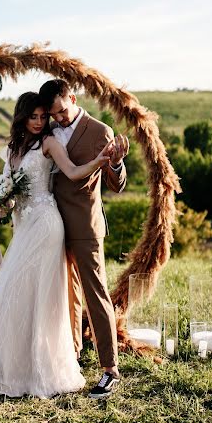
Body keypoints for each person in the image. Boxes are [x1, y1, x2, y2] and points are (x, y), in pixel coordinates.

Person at [0, 92, 113, 398]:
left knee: (35, 292)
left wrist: (99, 162)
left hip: (46, 223)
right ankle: (12, 370)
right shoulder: (12, 148)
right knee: (16, 294)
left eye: (44, 117)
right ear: (22, 116)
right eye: (34, 116)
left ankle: (57, 369)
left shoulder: (49, 143)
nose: (40, 122)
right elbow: (9, 189)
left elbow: (71, 171)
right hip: (24, 226)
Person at [39, 79, 129, 399]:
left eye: (62, 112)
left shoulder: (100, 131)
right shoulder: (46, 133)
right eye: (54, 115)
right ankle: (71, 357)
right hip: (51, 227)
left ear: (73, 99)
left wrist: (116, 163)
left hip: (85, 228)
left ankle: (110, 369)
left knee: (96, 296)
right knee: (67, 296)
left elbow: (116, 185)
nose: (59, 118)